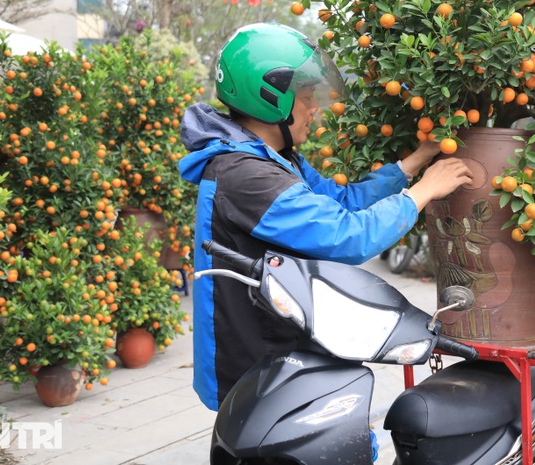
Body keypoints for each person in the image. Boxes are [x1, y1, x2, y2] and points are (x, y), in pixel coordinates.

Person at [178, 22, 472, 411]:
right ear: (270, 97)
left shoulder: (275, 159)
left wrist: (412, 164)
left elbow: (341, 201)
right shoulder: (246, 176)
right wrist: (422, 192)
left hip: (283, 343)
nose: (315, 109)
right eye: (305, 97)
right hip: (255, 361)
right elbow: (346, 236)